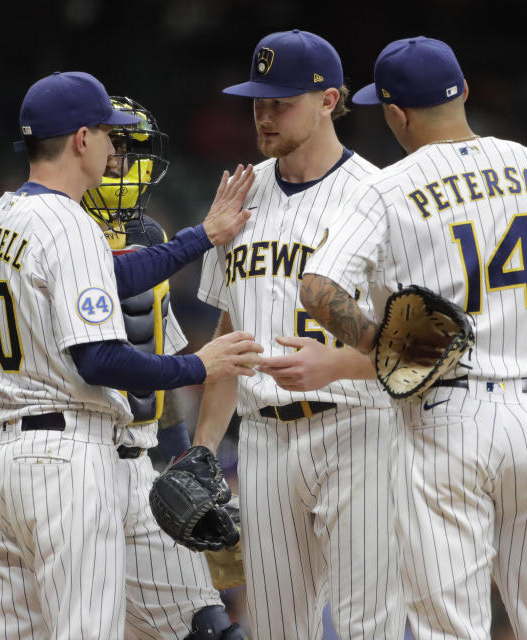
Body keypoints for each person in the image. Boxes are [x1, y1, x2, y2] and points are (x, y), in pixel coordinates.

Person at [300, 37, 527, 639]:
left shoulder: (388, 187)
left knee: (449, 626)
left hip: (448, 414)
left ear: (396, 113)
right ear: (464, 90)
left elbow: (317, 290)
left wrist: (382, 346)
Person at [0, 71, 262, 640]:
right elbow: (99, 360)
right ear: (81, 139)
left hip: (3, 459)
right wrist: (199, 365)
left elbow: (110, 272)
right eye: (108, 134)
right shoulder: (71, 224)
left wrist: (200, 236)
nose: (113, 147)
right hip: (67, 459)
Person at [192, 30, 405, 639]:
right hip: (262, 441)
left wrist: (341, 362)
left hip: (357, 429)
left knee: (371, 626)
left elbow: (410, 340)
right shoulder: (241, 193)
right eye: (257, 101)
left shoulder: (379, 194)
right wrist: (206, 448)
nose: (263, 114)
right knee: (277, 629)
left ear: (329, 101)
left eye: (280, 102)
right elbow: (229, 332)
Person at [79, 96, 246, 639]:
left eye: (130, 149)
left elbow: (160, 353)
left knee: (212, 625)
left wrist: (181, 459)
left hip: (134, 463)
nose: (118, 161)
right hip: (70, 458)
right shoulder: (54, 228)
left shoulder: (151, 237)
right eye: (112, 145)